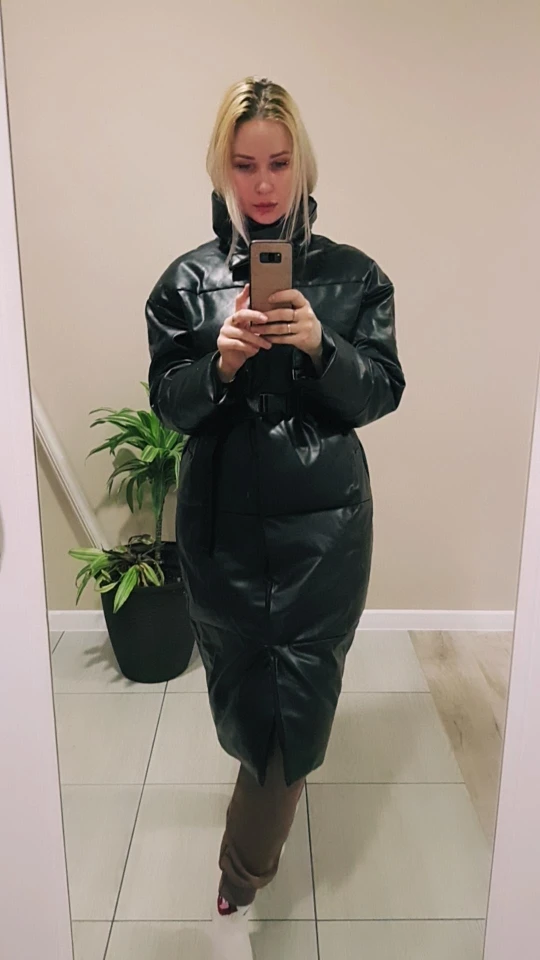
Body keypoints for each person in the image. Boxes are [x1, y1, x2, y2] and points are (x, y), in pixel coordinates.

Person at [145, 76, 406, 960]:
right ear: (222, 168)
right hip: (221, 535)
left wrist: (321, 345)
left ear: (303, 166)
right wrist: (216, 368)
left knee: (294, 715)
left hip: (324, 537)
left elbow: (381, 393)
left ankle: (239, 877)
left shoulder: (354, 276)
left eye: (279, 163)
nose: (263, 184)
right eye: (245, 164)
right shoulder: (184, 285)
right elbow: (170, 405)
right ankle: (248, 854)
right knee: (244, 694)